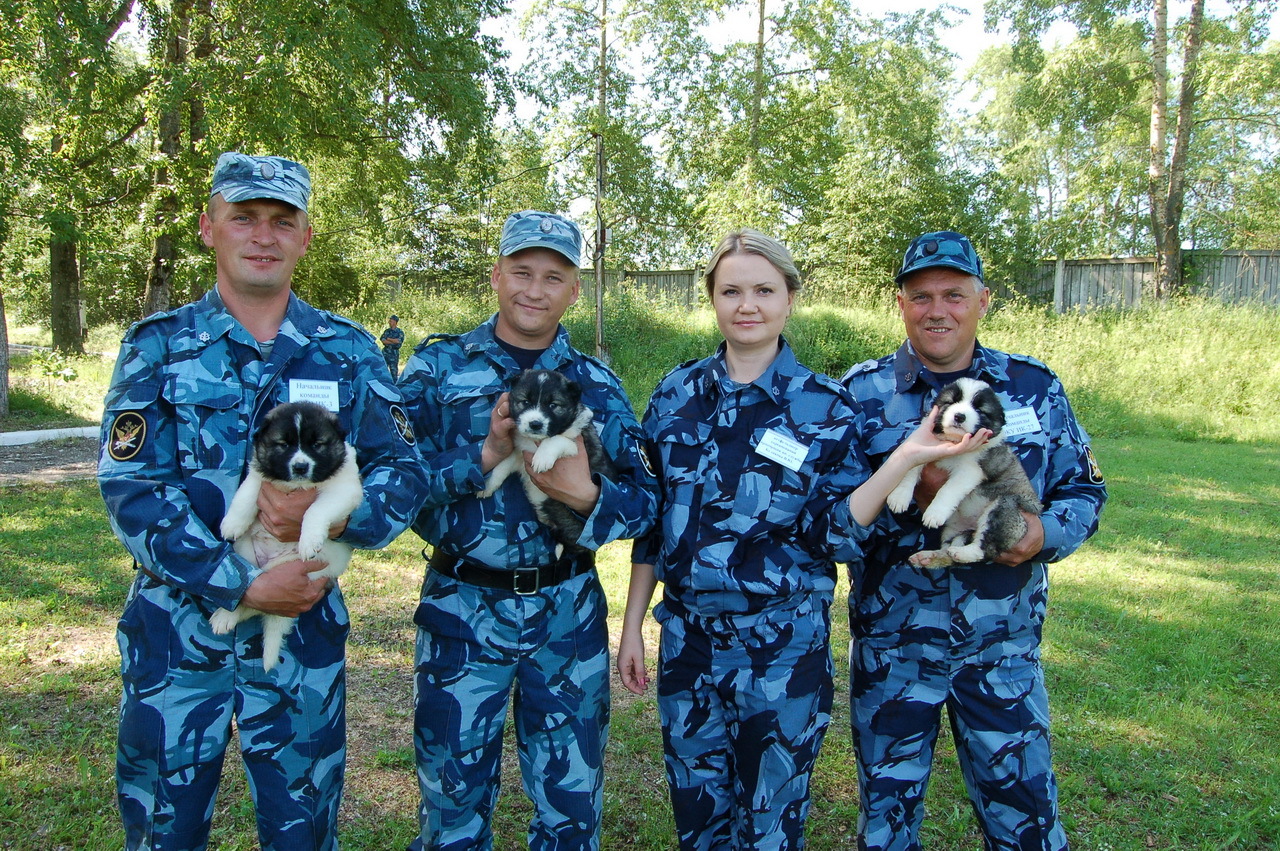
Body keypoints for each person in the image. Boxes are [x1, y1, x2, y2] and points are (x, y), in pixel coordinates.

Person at [98, 151, 428, 851]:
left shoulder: (345, 350)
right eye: (242, 216)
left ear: (305, 235)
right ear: (207, 227)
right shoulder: (157, 347)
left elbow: (406, 466)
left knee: (303, 832)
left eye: (282, 220)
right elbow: (132, 487)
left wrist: (339, 516)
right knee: (164, 831)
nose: (262, 235)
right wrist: (243, 582)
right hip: (179, 643)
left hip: (300, 647)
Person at [398, 209, 658, 849]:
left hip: (566, 619)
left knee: (570, 811)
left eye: (553, 276)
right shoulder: (437, 370)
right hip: (461, 613)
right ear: (496, 275)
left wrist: (586, 494)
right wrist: (481, 459)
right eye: (521, 272)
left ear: (575, 289)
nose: (534, 290)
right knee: (451, 807)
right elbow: (392, 487)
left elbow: (649, 500)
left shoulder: (595, 382)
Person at [840, 230, 1107, 850]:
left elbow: (1083, 490)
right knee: (886, 821)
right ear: (900, 303)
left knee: (1025, 816)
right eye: (922, 296)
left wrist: (1044, 534)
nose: (938, 310)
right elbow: (836, 516)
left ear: (982, 300)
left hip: (1002, 646)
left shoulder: (1034, 387)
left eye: (955, 295)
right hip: (894, 649)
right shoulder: (859, 394)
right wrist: (916, 500)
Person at [616, 229, 869, 849]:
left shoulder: (826, 409)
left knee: (771, 822)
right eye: (731, 291)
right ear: (712, 299)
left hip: (781, 650)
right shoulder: (676, 395)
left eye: (764, 289)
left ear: (790, 298)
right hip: (687, 643)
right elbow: (653, 521)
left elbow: (841, 534)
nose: (747, 305)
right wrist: (630, 626)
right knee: (698, 817)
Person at [381, 314, 405, 378]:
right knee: (382, 369)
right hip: (385, 352)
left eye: (391, 321)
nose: (389, 322)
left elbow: (398, 342)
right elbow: (383, 340)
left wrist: (388, 339)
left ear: (395, 322)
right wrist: (393, 341)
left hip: (394, 354)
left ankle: (394, 385)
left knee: (393, 372)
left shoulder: (400, 332)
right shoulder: (387, 331)